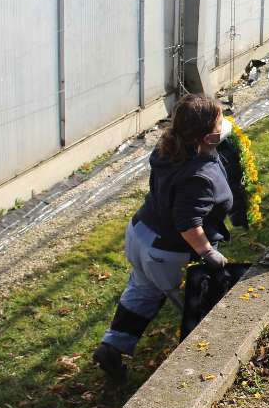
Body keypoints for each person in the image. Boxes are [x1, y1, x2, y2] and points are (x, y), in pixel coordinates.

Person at [92, 93, 234, 381]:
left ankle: (113, 346)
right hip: (168, 253)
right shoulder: (200, 177)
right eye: (220, 122)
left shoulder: (169, 148)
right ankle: (199, 372)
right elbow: (188, 223)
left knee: (143, 289)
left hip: (141, 235)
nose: (224, 124)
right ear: (207, 137)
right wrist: (208, 253)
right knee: (201, 309)